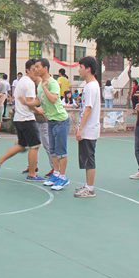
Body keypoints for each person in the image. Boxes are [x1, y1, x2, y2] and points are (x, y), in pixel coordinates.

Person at [0, 60, 43, 181]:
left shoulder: (21, 81)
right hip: (27, 119)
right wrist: (38, 110)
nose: (36, 71)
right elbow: (30, 103)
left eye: (37, 68)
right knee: (35, 146)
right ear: (27, 70)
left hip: (19, 118)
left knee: (22, 145)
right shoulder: (29, 83)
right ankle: (32, 174)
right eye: (33, 69)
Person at [36, 59, 71, 191]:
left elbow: (53, 99)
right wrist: (27, 104)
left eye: (38, 67)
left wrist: (45, 88)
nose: (36, 69)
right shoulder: (40, 85)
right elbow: (41, 102)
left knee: (61, 151)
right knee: (53, 150)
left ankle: (63, 177)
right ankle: (56, 174)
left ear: (45, 68)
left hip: (61, 120)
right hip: (50, 121)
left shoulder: (52, 83)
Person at [74, 56, 101, 198]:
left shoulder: (91, 87)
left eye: (81, 67)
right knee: (86, 158)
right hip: (87, 129)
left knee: (89, 159)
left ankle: (90, 189)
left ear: (88, 69)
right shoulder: (90, 85)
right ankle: (87, 185)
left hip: (89, 130)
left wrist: (81, 128)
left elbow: (88, 109)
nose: (79, 70)